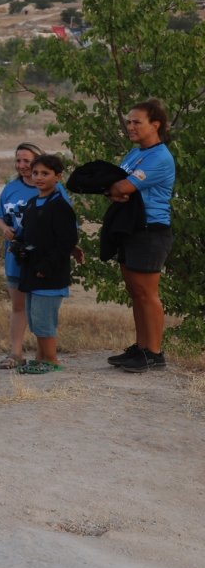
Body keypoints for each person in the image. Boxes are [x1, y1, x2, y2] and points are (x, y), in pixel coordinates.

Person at [105, 99, 175, 373]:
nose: (130, 126)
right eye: (129, 121)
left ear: (155, 125)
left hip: (151, 229)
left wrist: (118, 189)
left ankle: (154, 353)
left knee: (148, 293)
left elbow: (122, 186)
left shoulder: (160, 157)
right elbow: (112, 187)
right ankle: (141, 348)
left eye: (137, 122)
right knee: (135, 292)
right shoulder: (135, 154)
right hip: (131, 228)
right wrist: (116, 189)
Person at [15, 154, 78, 374]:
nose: (39, 177)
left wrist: (46, 267)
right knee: (35, 319)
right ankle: (40, 358)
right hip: (31, 271)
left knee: (44, 320)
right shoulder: (33, 203)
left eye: (45, 173)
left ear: (58, 177)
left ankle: (51, 361)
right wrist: (19, 246)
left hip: (49, 275)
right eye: (35, 173)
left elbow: (67, 242)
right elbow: (28, 235)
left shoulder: (60, 206)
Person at [0, 143, 43, 369]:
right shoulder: (10, 188)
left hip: (42, 257)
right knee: (18, 305)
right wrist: (4, 227)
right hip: (15, 255)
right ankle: (16, 353)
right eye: (18, 161)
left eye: (27, 161)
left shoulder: (52, 187)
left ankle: (45, 354)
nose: (22, 165)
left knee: (42, 305)